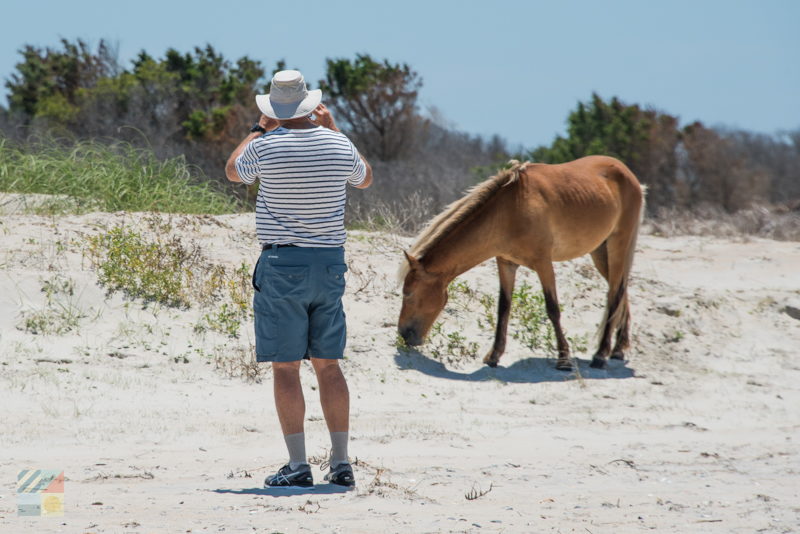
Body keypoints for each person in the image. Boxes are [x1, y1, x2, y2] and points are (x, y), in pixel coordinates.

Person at [225, 70, 372, 488]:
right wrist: (335, 128)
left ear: (273, 108)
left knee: (286, 367)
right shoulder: (337, 143)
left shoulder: (267, 146)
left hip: (282, 264)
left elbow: (234, 170)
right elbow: (365, 178)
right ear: (310, 104)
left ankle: (297, 464)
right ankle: (341, 462)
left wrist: (258, 128)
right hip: (329, 263)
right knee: (329, 365)